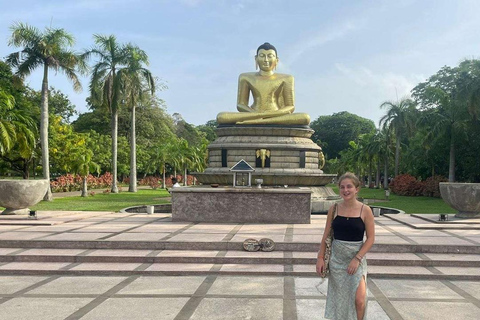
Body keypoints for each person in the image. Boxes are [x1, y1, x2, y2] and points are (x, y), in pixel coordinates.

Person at [316, 172, 375, 320]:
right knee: (340, 300)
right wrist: (320, 257)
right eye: (342, 187)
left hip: (356, 259)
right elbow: (326, 235)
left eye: (349, 186)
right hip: (337, 261)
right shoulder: (334, 209)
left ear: (357, 189)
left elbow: (371, 238)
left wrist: (357, 258)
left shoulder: (365, 210)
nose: (345, 190)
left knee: (360, 300)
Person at [216, 42, 310, 125]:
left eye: (270, 56)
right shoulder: (245, 77)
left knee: (305, 117)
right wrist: (257, 114)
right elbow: (241, 104)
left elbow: (290, 106)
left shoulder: (286, 78)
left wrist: (270, 115)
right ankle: (264, 121)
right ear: (256, 59)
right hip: (253, 114)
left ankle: (260, 121)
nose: (266, 60)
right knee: (221, 117)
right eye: (262, 56)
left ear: (277, 60)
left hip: (276, 114)